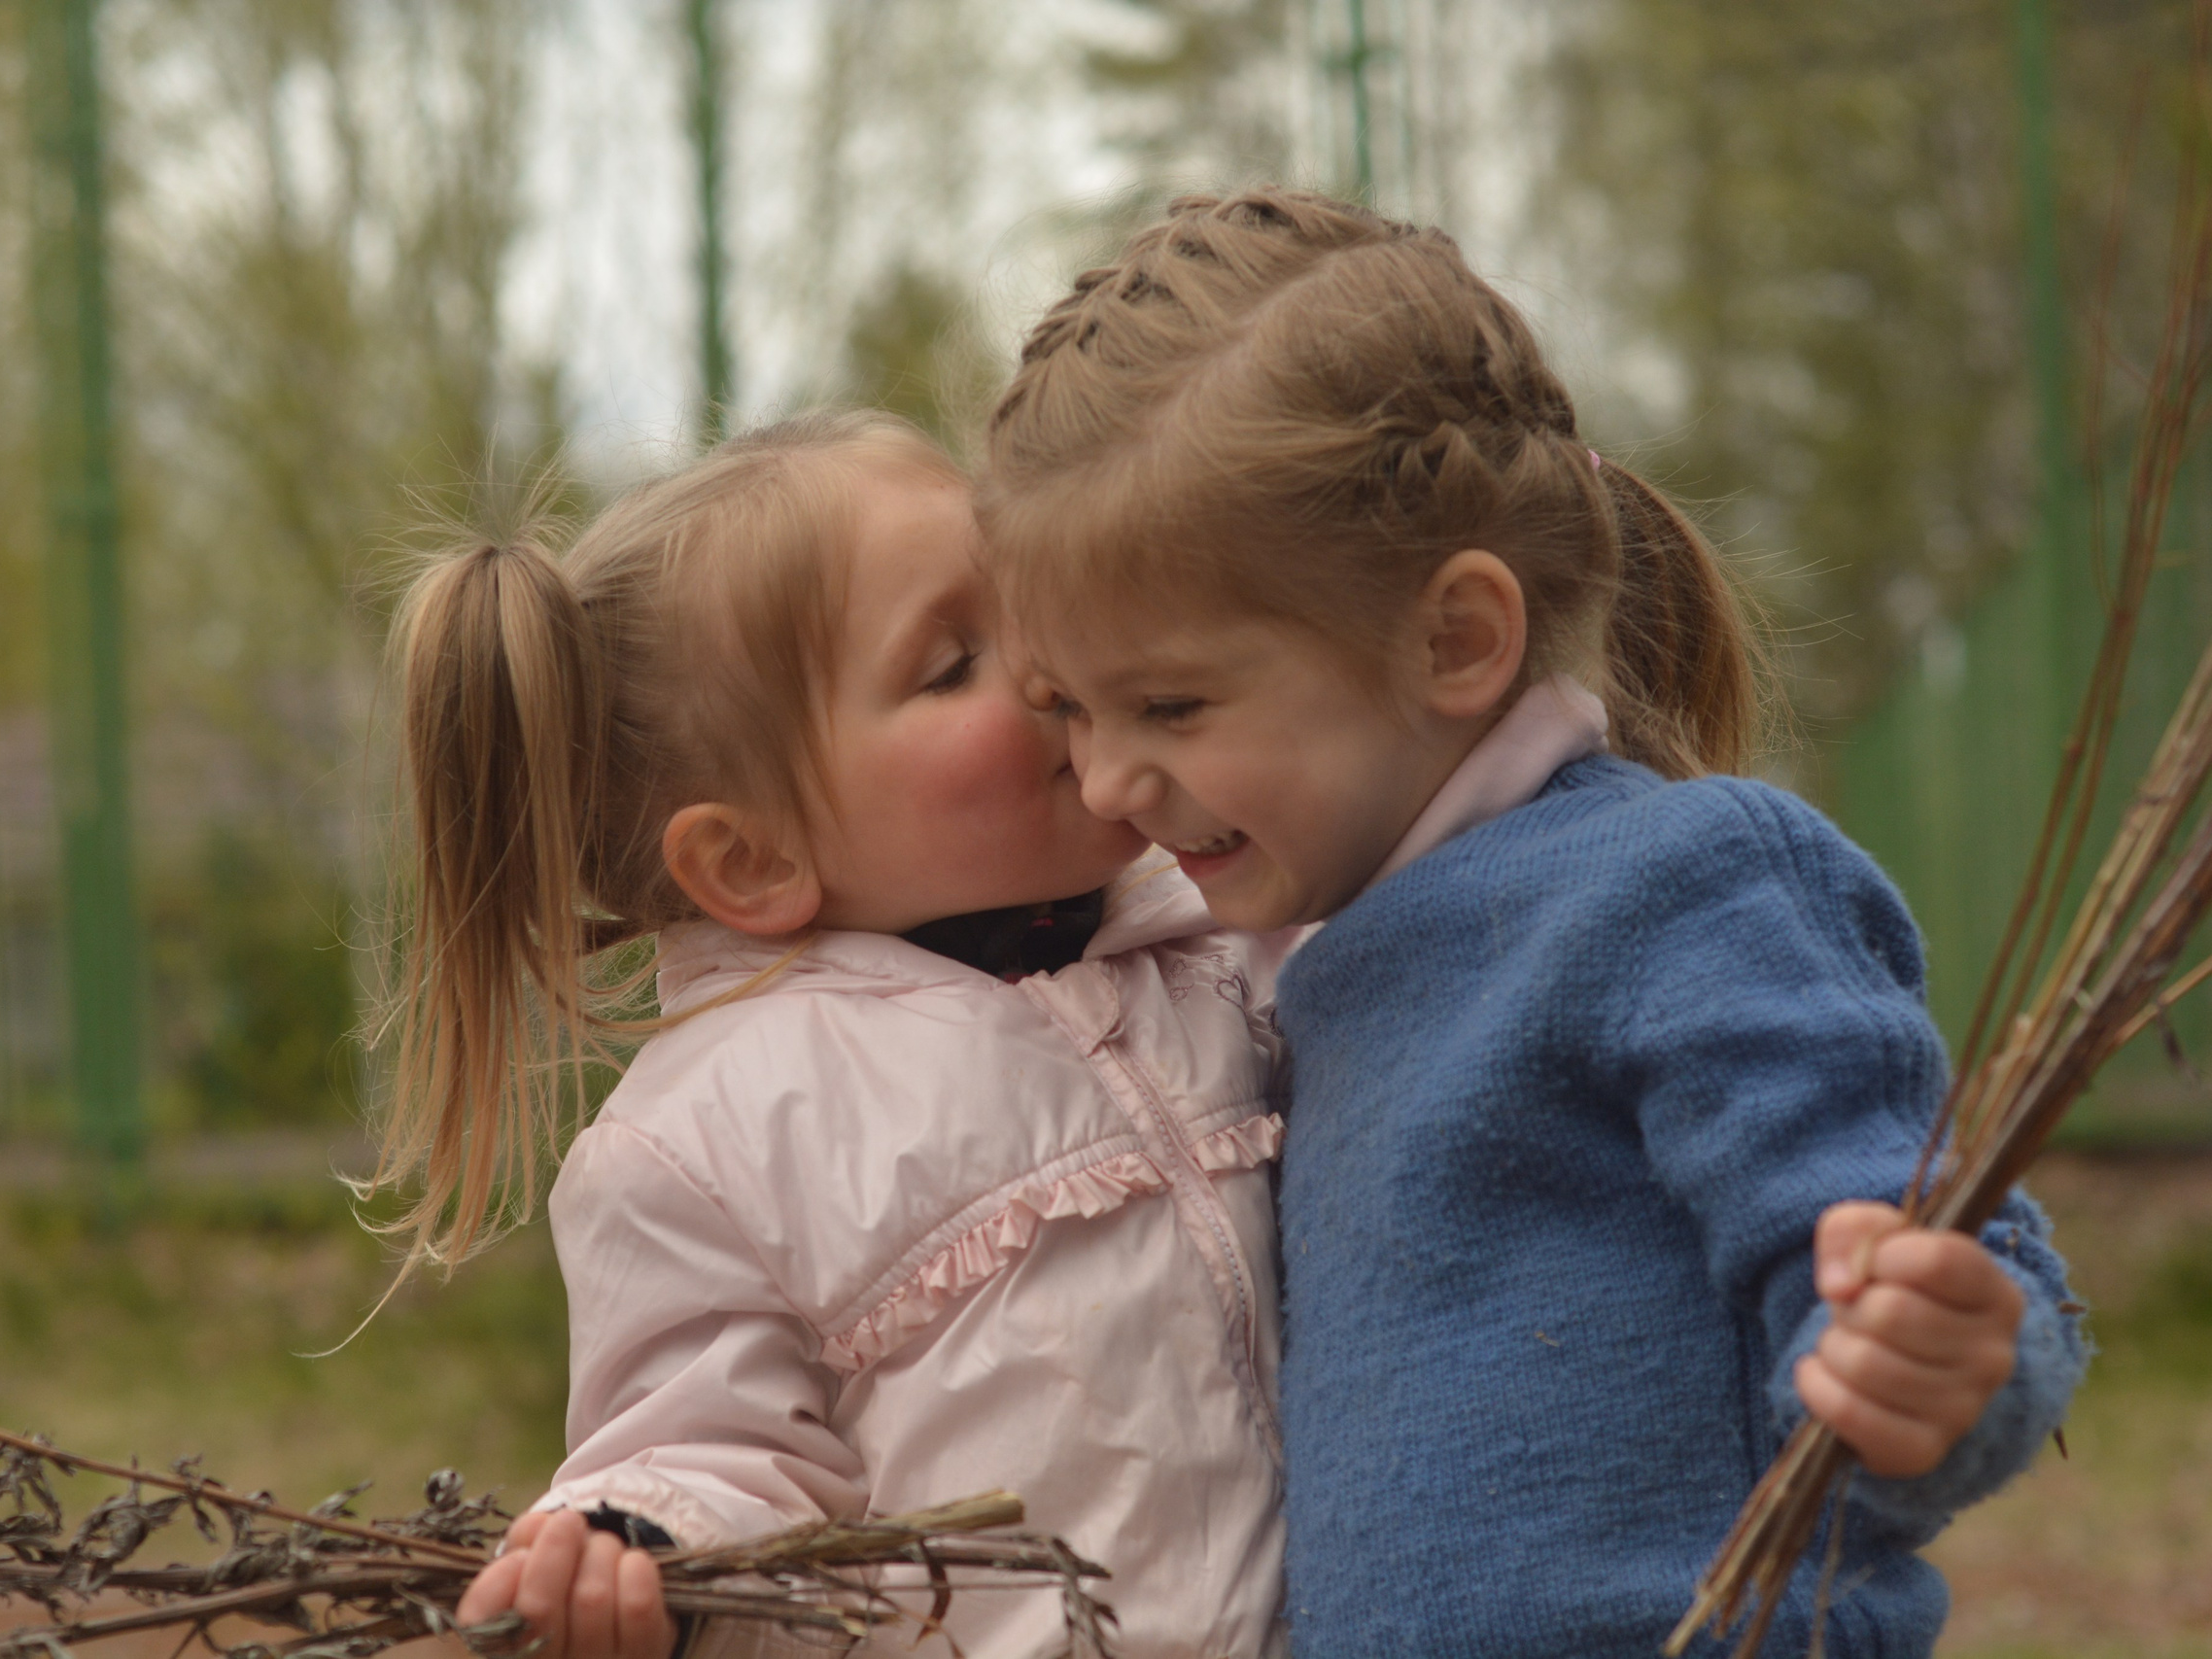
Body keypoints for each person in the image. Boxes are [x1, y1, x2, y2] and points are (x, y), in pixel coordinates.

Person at [977, 189, 2090, 1657]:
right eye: (1071, 709)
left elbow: (1918, 1240)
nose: (1111, 778)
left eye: (1171, 702)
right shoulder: (1292, 966)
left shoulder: (1677, 885)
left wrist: (1943, 1363)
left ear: (1454, 638)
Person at [380, 409, 1291, 1659]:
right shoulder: (716, 1129)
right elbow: (705, 1445)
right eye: (950, 662)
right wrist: (641, 1550)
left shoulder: (1228, 924)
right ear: (751, 858)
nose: (1042, 662)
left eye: (1021, 601)